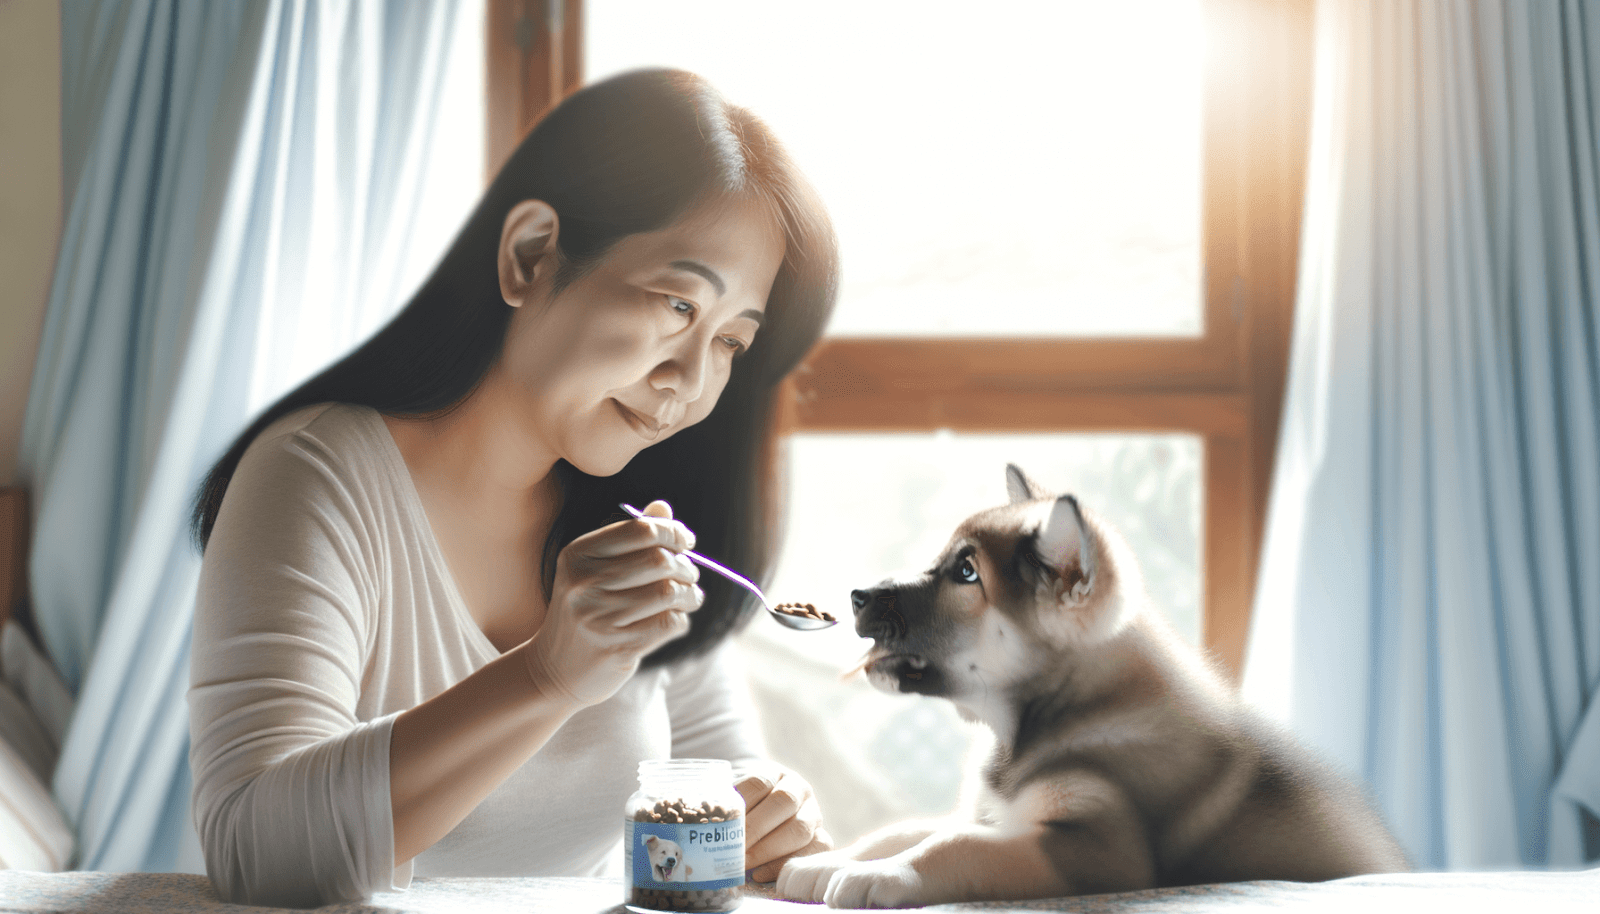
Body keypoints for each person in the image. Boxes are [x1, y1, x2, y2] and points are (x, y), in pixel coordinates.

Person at [186, 68, 839, 907]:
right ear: (531, 255)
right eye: (678, 306)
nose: (690, 380)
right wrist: (546, 677)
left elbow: (718, 773)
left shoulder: (644, 513)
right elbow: (255, 851)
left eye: (731, 344)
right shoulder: (316, 475)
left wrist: (765, 815)